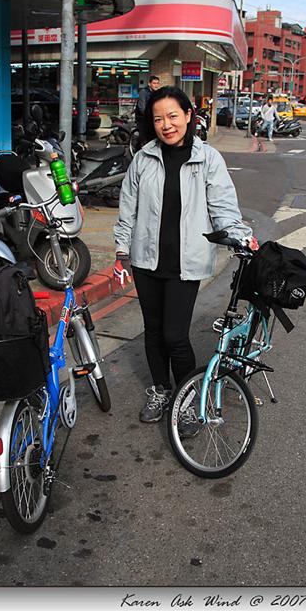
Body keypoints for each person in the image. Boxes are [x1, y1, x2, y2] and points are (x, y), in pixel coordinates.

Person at [113, 86, 256, 437]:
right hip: (146, 261)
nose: (166, 124)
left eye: (173, 116)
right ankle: (161, 390)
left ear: (189, 115)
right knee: (153, 331)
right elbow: (128, 210)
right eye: (158, 119)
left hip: (185, 262)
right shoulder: (143, 159)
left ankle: (187, 399)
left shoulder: (208, 159)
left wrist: (240, 235)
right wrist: (121, 251)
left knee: (175, 336)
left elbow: (223, 206)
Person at [134, 75, 161, 146]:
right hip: (142, 118)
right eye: (154, 83)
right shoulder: (143, 92)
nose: (156, 85)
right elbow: (141, 107)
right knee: (144, 137)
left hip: (152, 117)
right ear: (149, 84)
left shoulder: (157, 93)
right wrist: (149, 115)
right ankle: (138, 149)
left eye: (157, 83)